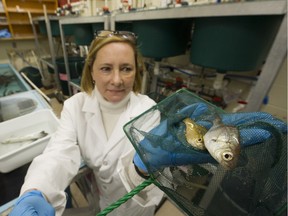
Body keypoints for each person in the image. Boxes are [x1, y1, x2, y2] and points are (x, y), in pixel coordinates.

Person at [9, 30, 164, 216]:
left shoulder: (148, 111)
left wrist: (142, 169)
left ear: (136, 71)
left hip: (137, 206)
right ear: (91, 71)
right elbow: (59, 152)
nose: (117, 80)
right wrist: (36, 190)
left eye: (126, 69)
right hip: (104, 201)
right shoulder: (75, 106)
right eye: (106, 68)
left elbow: (148, 178)